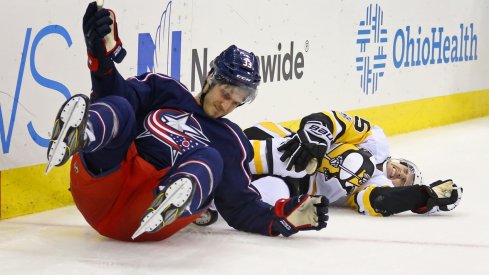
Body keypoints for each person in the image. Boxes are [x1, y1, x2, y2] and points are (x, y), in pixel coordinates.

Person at [45, 2, 328, 242]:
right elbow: (113, 95)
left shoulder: (231, 141)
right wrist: (101, 59)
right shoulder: (164, 90)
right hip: (101, 182)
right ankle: (85, 134)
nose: (226, 105)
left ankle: (173, 197)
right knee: (120, 106)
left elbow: (240, 207)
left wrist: (282, 217)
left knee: (210, 158)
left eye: (236, 102)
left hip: (144, 218)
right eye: (225, 93)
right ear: (210, 78)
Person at [194, 110, 462, 225]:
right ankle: (187, 153)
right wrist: (315, 134)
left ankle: (205, 200)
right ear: (401, 159)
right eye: (406, 169)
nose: (401, 175)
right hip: (288, 145)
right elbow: (332, 120)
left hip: (295, 185)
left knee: (267, 197)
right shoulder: (376, 140)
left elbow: (382, 201)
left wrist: (423, 195)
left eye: (404, 181)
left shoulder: (374, 185)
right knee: (234, 153)